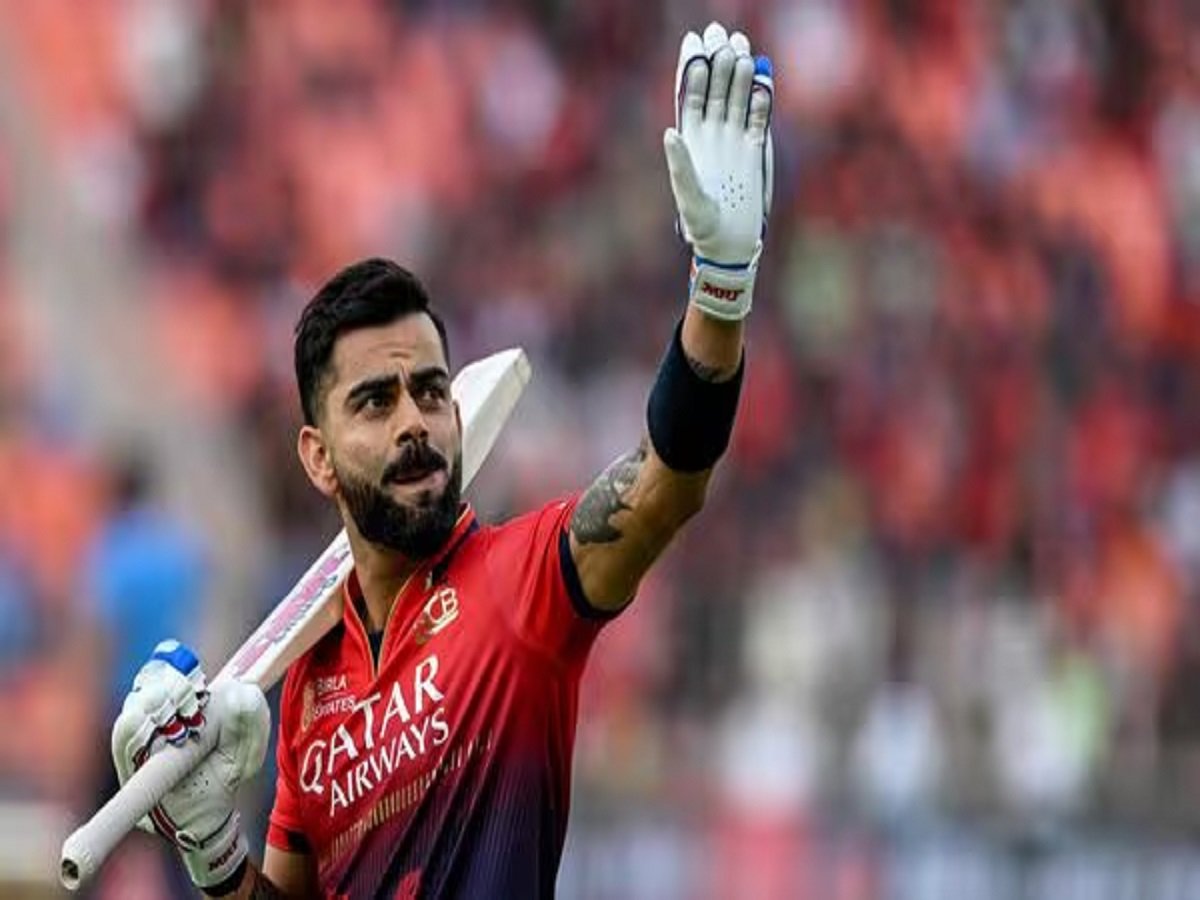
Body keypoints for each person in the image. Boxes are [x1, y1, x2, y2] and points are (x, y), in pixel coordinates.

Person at [109, 21, 774, 898]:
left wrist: (720, 287)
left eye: (429, 391)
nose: (414, 422)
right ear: (317, 457)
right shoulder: (308, 685)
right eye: (374, 402)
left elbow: (669, 482)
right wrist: (213, 849)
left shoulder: (525, 583)